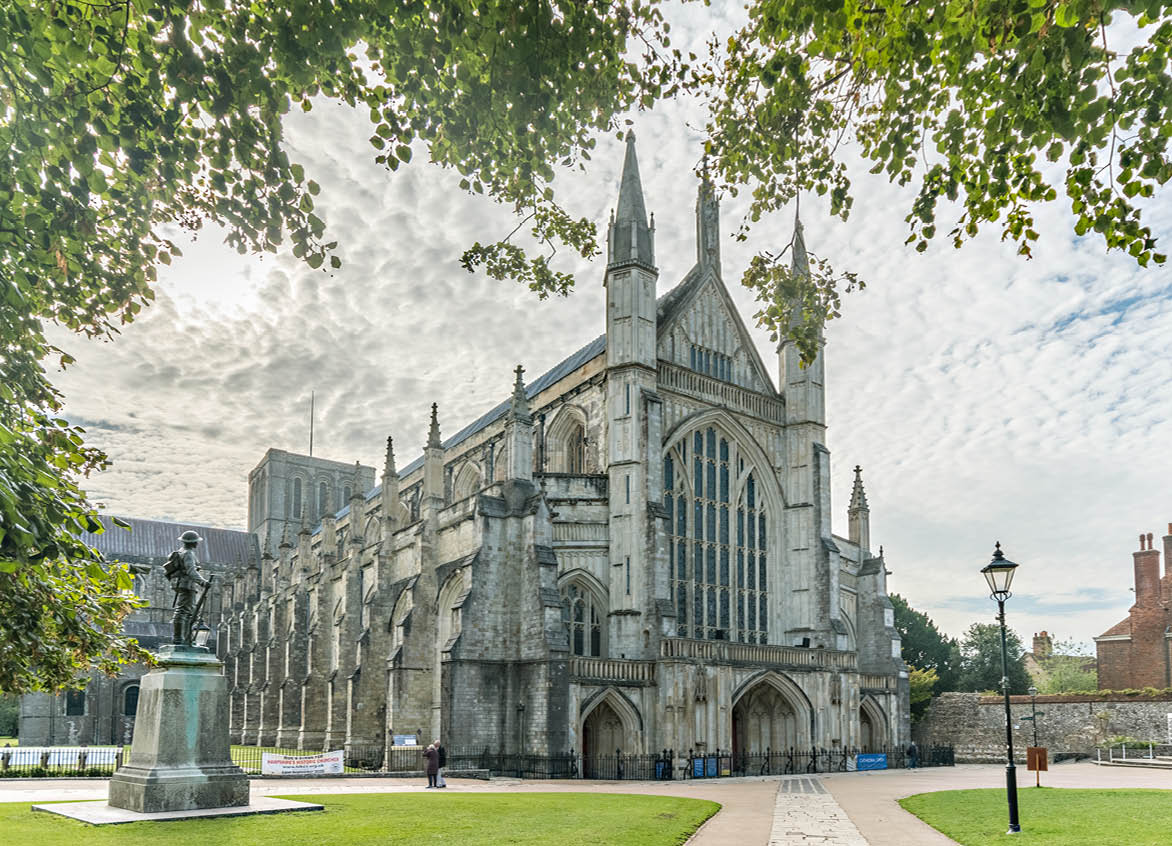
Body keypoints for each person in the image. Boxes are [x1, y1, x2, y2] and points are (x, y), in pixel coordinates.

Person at [165, 530, 211, 645]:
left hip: (182, 584)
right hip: (187, 585)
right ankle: (179, 639)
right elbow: (191, 571)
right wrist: (203, 582)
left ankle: (186, 638)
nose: (197, 544)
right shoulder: (188, 553)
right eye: (196, 541)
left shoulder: (182, 551)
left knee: (188, 612)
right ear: (192, 542)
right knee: (182, 611)